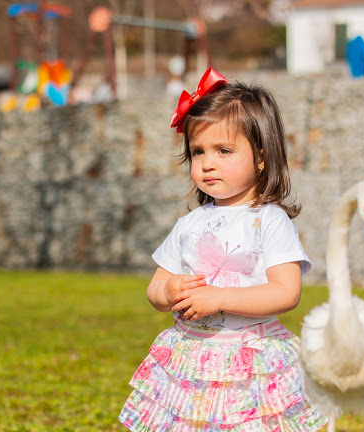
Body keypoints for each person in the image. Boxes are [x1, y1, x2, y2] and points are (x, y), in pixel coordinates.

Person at [119, 68, 327, 431]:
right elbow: (155, 288)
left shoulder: (269, 220)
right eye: (198, 152)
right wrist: (168, 291)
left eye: (223, 150)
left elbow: (286, 292)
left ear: (262, 156)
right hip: (191, 354)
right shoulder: (189, 224)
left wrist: (219, 298)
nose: (207, 163)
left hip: (250, 357)